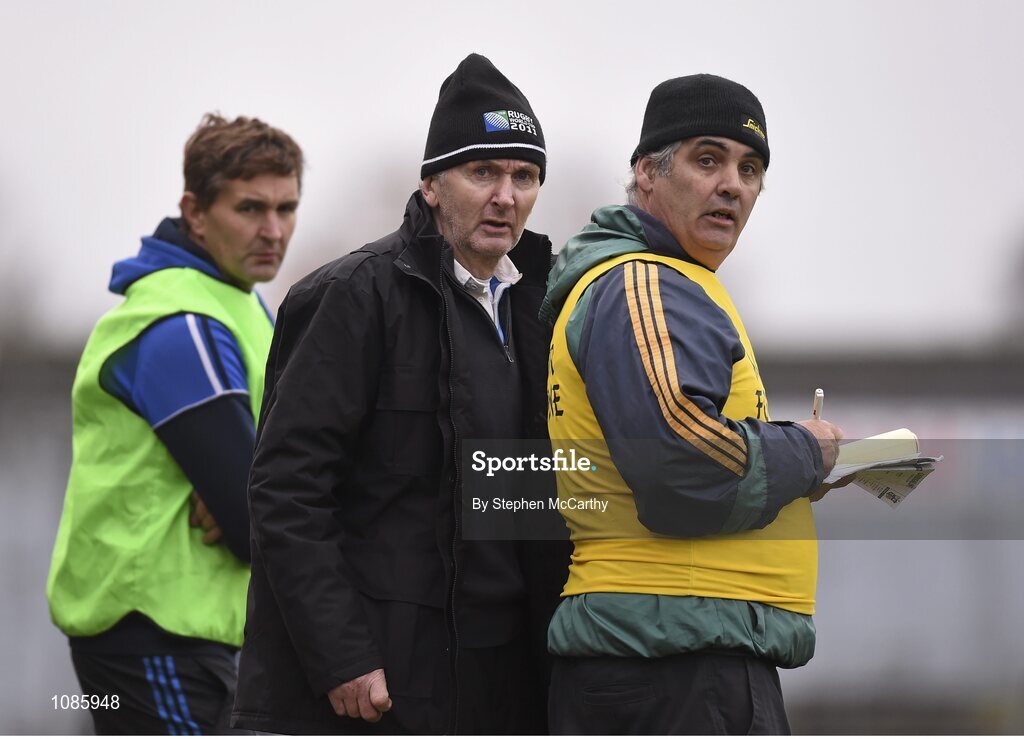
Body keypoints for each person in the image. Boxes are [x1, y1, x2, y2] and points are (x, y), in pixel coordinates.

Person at [231, 53, 568, 735]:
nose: (506, 195)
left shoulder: (550, 307)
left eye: (523, 175)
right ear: (433, 184)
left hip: (508, 678)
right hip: (379, 682)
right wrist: (342, 655)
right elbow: (287, 492)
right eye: (483, 172)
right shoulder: (351, 297)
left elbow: (533, 490)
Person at [539, 74, 846, 734]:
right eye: (709, 159)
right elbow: (680, 463)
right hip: (669, 670)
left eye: (751, 168)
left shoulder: (674, 285)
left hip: (681, 654)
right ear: (648, 173)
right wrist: (807, 452)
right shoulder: (643, 282)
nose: (732, 183)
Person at [46, 113, 303, 734]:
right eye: (250, 208)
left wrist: (257, 483)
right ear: (195, 211)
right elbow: (251, 519)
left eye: (286, 208)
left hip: (194, 635)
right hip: (150, 640)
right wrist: (255, 489)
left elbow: (264, 483)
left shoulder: (237, 300)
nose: (273, 230)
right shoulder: (178, 321)